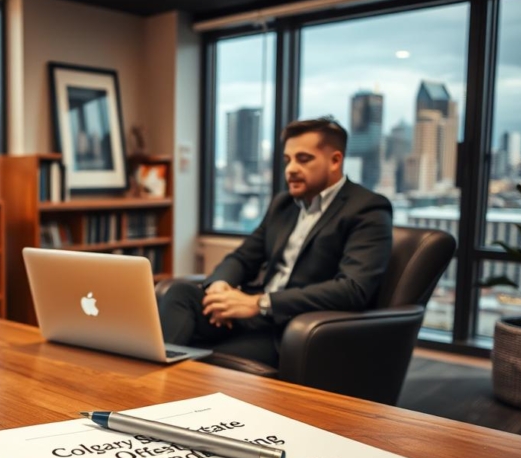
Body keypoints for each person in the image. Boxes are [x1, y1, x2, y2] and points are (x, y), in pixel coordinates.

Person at [159, 117, 393, 367]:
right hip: (251, 314)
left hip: (295, 327)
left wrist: (260, 304)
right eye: (287, 160)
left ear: (335, 160)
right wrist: (219, 287)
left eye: (303, 159)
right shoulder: (283, 204)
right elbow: (243, 257)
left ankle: (158, 391)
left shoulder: (367, 209)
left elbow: (352, 289)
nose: (290, 169)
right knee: (180, 294)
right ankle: (147, 388)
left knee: (203, 357)